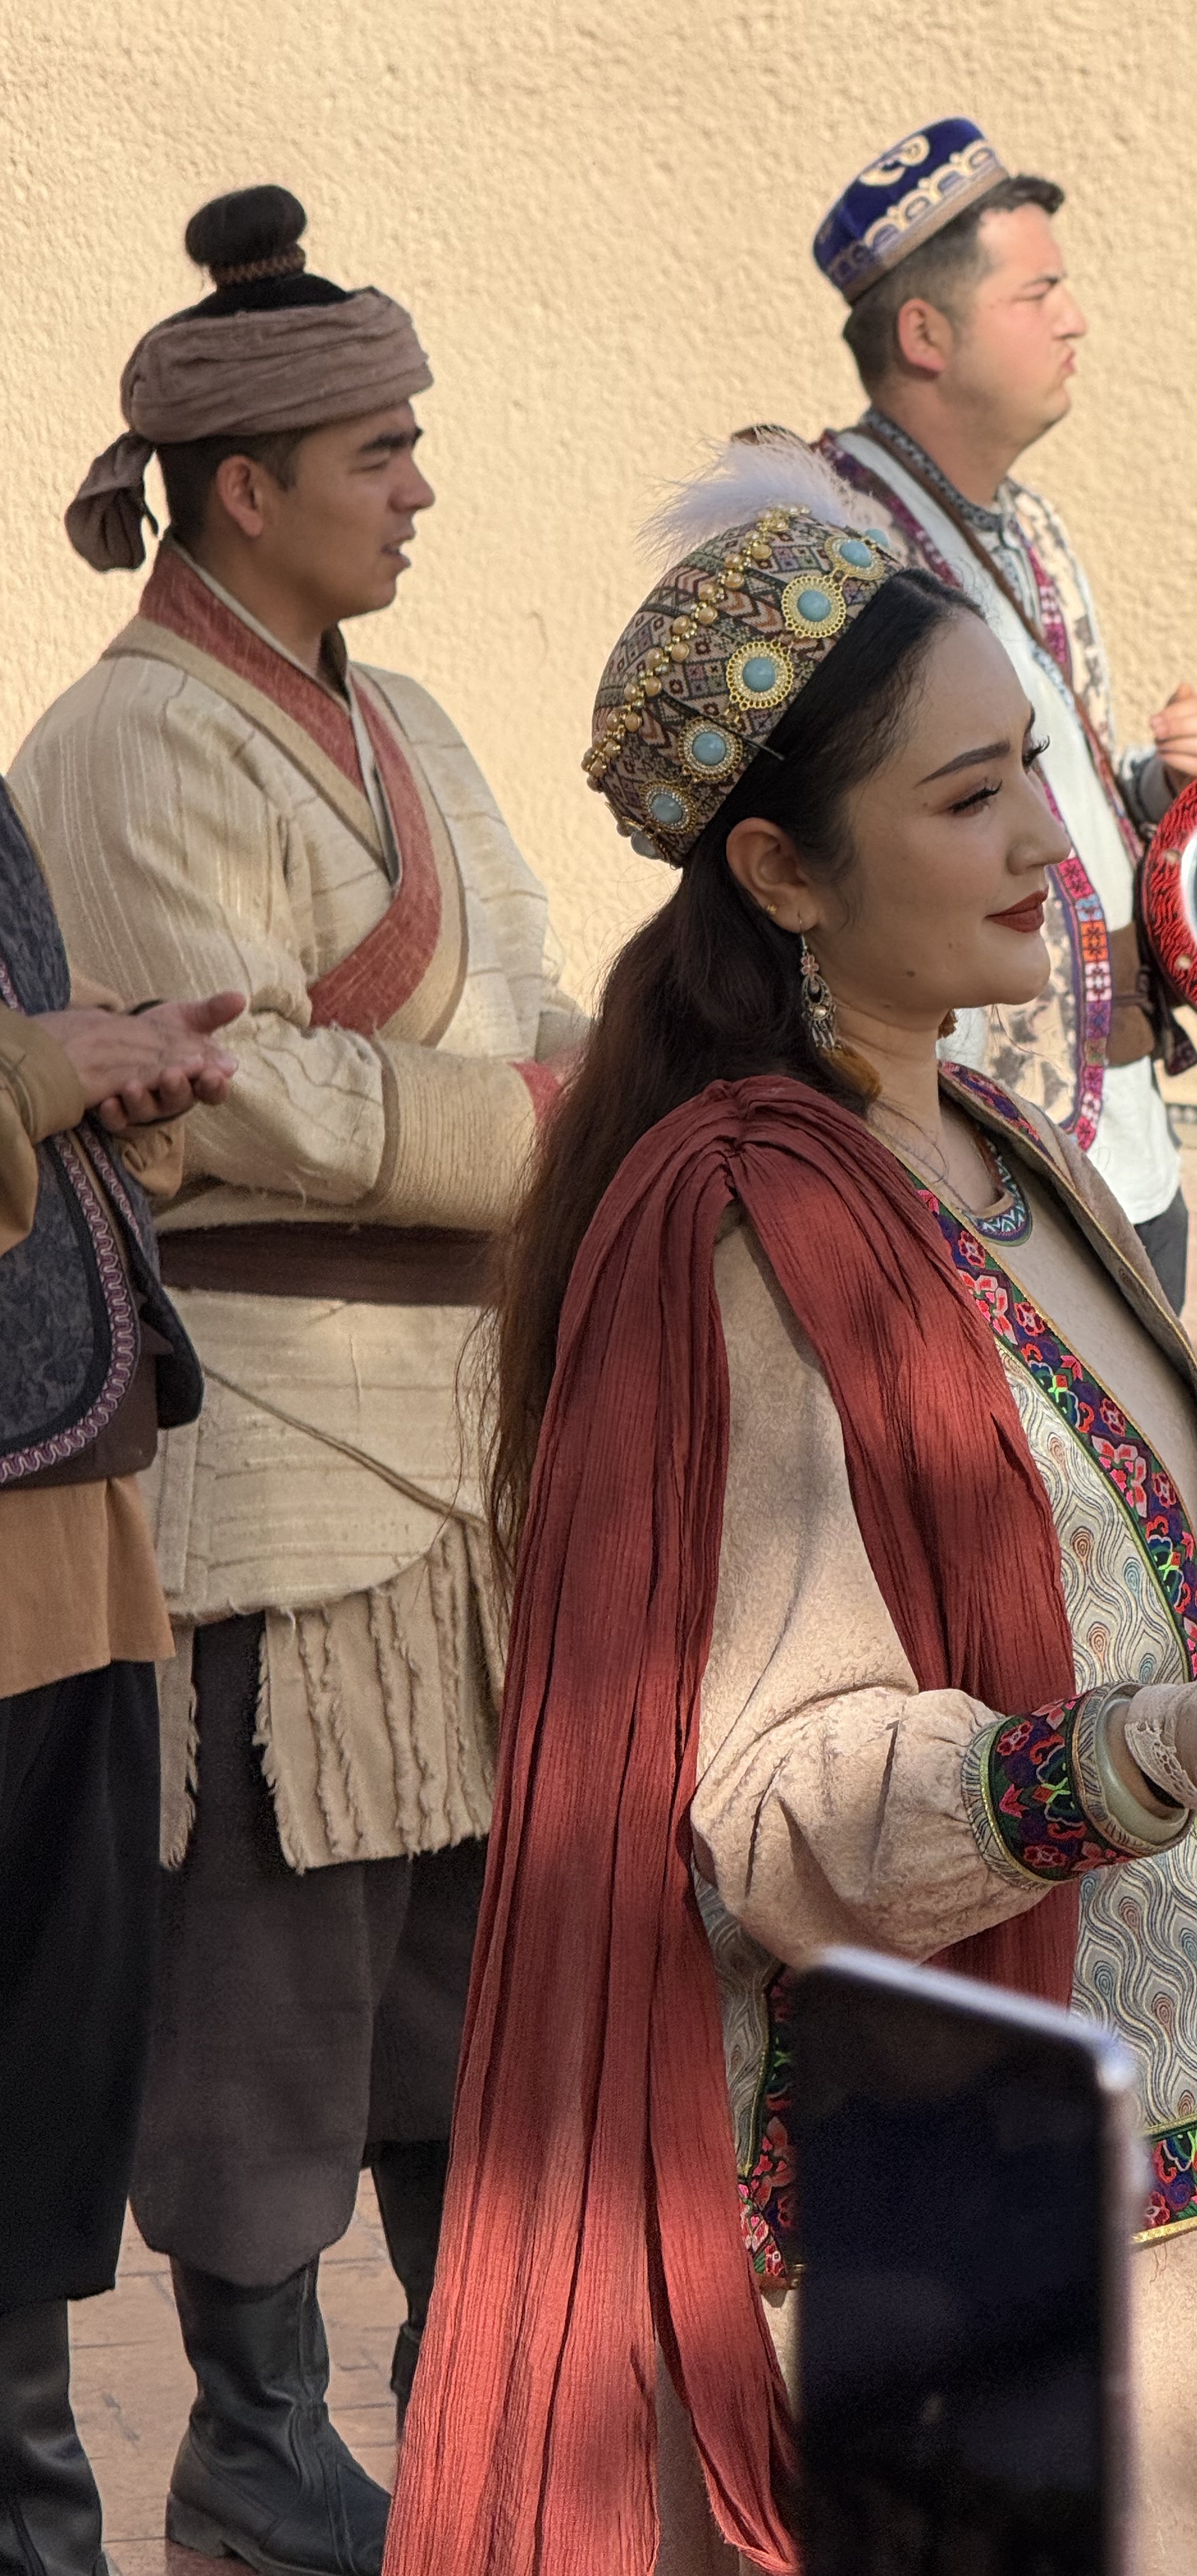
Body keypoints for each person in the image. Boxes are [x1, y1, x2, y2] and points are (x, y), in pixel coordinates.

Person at [383, 440, 1197, 2576]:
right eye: (962, 795)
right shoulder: (741, 1230)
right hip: (972, 2202)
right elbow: (772, 1799)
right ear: (782, 872)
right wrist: (1148, 1752)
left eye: (1032, 767)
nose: (1044, 841)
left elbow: (1192, 1565)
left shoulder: (1008, 1158)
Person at [10, 186, 585, 2575]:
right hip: (273, 1456)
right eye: (385, 449)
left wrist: (547, 1102)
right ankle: (254, 2441)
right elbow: (245, 1107)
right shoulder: (127, 745)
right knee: (267, 1966)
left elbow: (536, 1007)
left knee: (463, 1961)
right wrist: (533, 1132)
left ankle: (475, 2409)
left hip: (464, 1457)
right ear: (246, 488)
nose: (423, 485)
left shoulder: (420, 722)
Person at [810, 118, 1197, 1310]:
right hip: (965, 1141)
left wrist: (1155, 788)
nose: (1075, 319)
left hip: (1122, 1133)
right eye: (1038, 290)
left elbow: (1045, 786)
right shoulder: (831, 547)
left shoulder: (1033, 527)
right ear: (924, 332)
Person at [1, 774, 239, 2576]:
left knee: (32, 2153)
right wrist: (38, 1076)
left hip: (66, 1544)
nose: (414, 490)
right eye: (371, 455)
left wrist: (116, 1089)